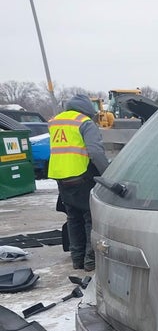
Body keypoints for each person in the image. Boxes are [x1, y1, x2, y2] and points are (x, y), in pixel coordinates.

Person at [48, 94, 110, 271]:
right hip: (81, 176)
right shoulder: (84, 122)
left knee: (73, 218)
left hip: (61, 177)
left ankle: (77, 259)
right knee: (90, 218)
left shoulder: (55, 121)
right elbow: (95, 152)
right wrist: (107, 174)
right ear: (88, 109)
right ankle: (90, 261)